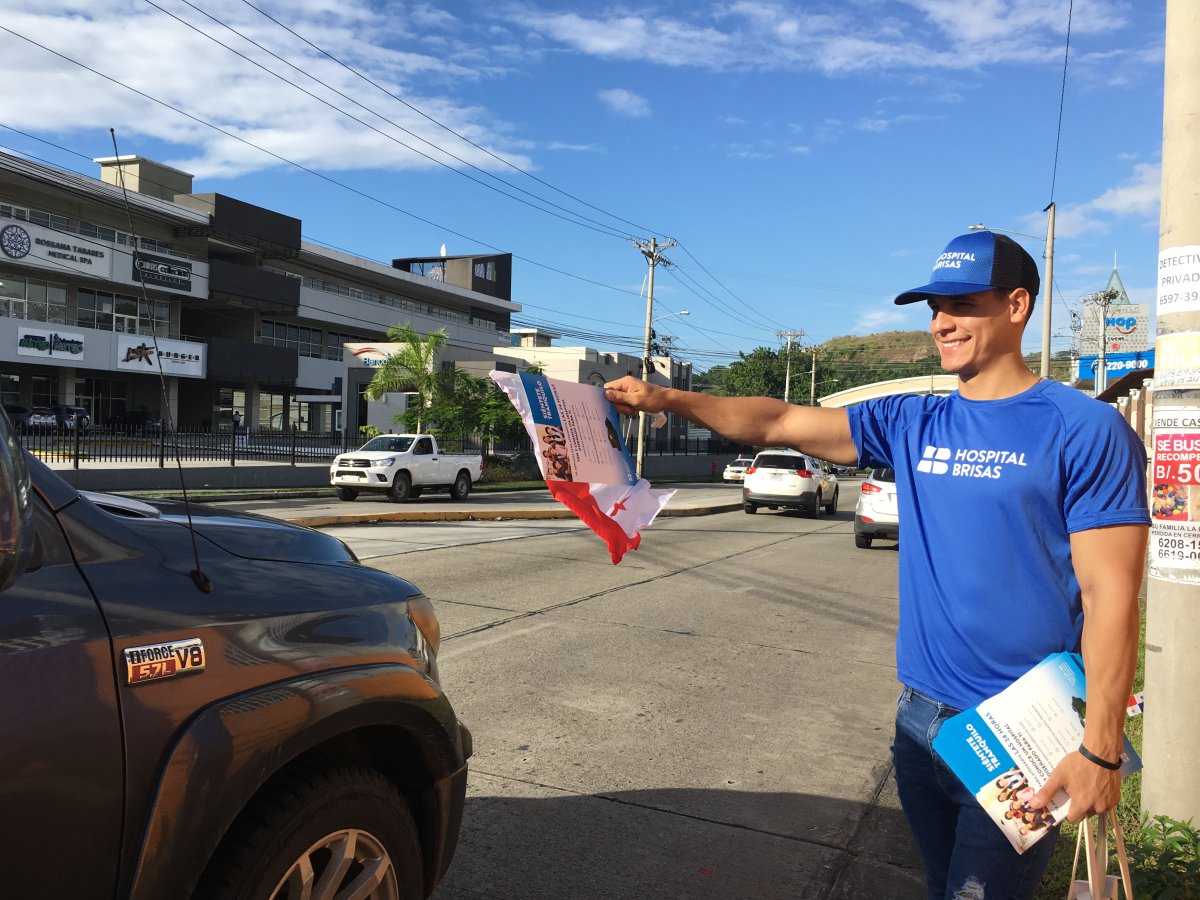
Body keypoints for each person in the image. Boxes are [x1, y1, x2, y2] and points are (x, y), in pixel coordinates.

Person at [604, 229, 1149, 899]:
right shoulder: (911, 420)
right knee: (941, 885)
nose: (942, 321)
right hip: (920, 723)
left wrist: (1101, 749)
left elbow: (1111, 596)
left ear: (1016, 305)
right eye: (933, 307)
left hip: (1020, 733)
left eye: (963, 303)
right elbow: (779, 423)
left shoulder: (1083, 428)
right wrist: (670, 400)